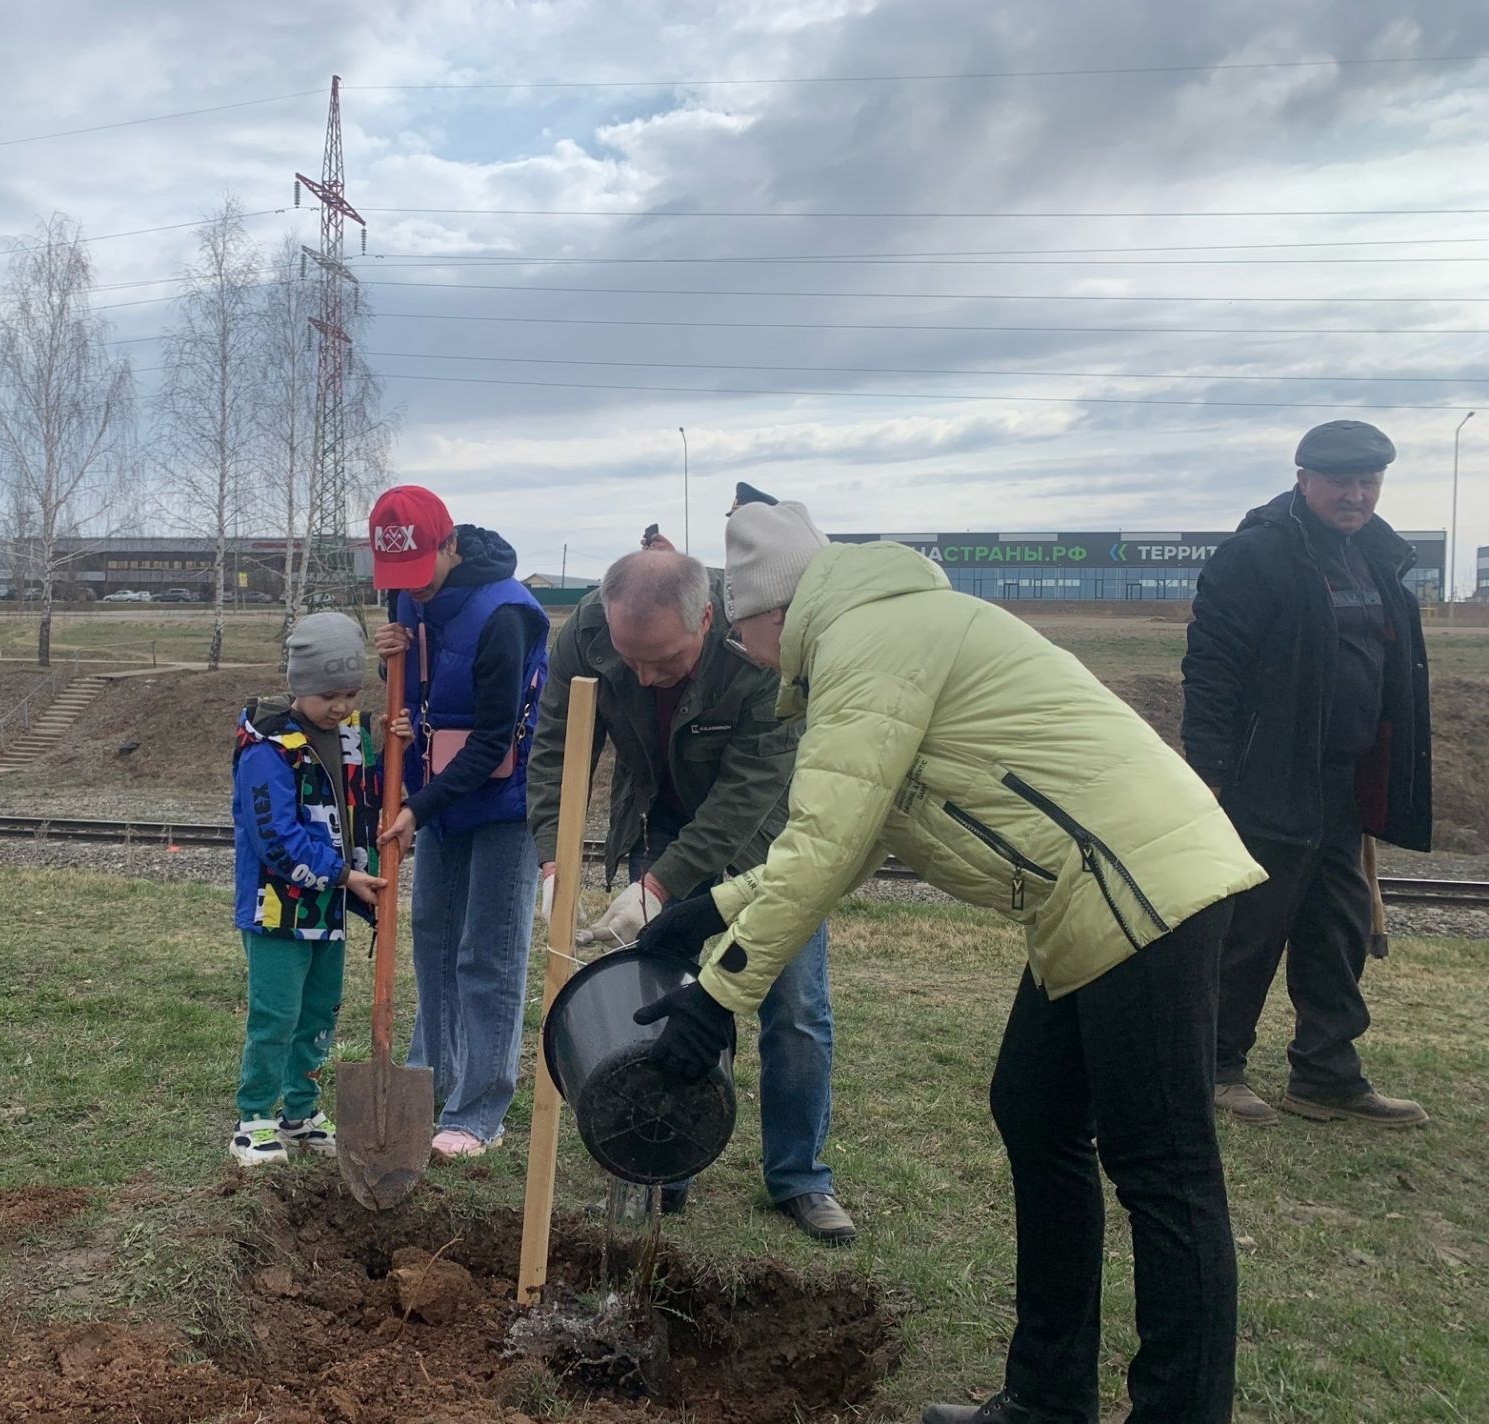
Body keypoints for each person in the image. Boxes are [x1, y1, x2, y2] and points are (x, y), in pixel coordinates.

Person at [633, 495, 1266, 1424]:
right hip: (1089, 895)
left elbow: (822, 842)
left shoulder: (869, 643)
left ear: (770, 613)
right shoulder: (876, 633)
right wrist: (705, 912)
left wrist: (718, 993)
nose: (746, 655)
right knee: (1036, 1110)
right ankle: (1049, 1398)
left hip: (1140, 885)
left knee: (1164, 1168)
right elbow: (842, 843)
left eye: (740, 635)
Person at [526, 532, 852, 1244]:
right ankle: (665, 1164)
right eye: (630, 661)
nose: (642, 679)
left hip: (770, 832)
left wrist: (661, 885)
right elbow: (559, 744)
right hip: (660, 817)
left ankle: (799, 1177)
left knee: (793, 1006)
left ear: (706, 621)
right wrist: (554, 860)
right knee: (660, 996)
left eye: (663, 662)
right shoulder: (586, 633)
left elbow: (751, 789)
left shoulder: (759, 648)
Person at [1183, 420, 1432, 1129]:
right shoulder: (1256, 556)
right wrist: (1211, 770)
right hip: (1269, 775)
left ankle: (1326, 1075)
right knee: (1251, 927)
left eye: (1369, 482)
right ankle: (1217, 1067)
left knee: (1338, 928)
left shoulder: (1376, 556)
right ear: (1303, 478)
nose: (1355, 495)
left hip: (1346, 782)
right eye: (1340, 481)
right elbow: (1212, 669)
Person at [368, 484, 550, 1158]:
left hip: (503, 801)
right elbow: (419, 699)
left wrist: (419, 807)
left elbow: (493, 742)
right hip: (439, 797)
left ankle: (479, 1111)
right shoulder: (406, 599)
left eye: (418, 576)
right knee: (434, 938)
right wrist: (394, 655)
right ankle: (428, 1083)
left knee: (488, 954)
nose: (408, 593)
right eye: (396, 582)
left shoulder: (506, 617)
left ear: (449, 546)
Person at [228, 613, 408, 1165]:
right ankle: (254, 1117)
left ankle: (300, 1113)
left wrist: (393, 751)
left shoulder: (351, 740)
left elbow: (367, 804)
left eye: (351, 693)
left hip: (327, 913)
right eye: (328, 694)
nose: (340, 706)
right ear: (298, 685)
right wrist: (340, 875)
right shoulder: (268, 750)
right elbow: (275, 838)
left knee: (318, 1015)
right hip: (278, 912)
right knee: (275, 1016)